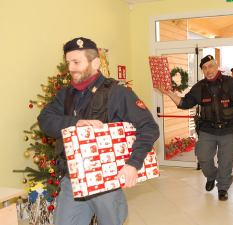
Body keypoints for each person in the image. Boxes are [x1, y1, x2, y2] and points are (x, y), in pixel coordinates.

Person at [38, 37, 160, 225]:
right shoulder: (65, 94)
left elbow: (149, 127)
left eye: (76, 62)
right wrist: (76, 122)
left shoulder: (118, 93)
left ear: (95, 62)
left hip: (107, 184)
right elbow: (45, 120)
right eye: (68, 62)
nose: (70, 68)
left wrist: (133, 164)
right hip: (72, 179)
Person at [157, 55, 233, 201]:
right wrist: (169, 93)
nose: (208, 70)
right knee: (203, 157)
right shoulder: (199, 87)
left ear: (217, 66)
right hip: (207, 129)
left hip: (228, 130)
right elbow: (184, 103)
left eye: (211, 66)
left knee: (226, 160)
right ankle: (212, 176)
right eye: (204, 68)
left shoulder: (232, 83)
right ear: (202, 70)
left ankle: (222, 187)